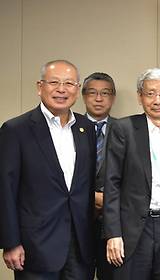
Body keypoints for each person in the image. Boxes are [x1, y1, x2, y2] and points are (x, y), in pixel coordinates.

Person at [0, 60, 96, 279]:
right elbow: (5, 190)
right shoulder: (16, 130)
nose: (62, 89)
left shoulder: (86, 128)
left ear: (77, 89)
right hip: (36, 246)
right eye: (54, 82)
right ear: (39, 86)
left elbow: (86, 186)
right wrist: (11, 242)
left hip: (80, 245)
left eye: (69, 83)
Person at [103, 68, 160, 279]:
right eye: (150, 93)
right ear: (140, 97)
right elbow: (112, 184)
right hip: (132, 228)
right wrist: (113, 234)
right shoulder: (123, 129)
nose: (157, 100)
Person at [81, 72, 117, 280]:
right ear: (83, 95)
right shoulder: (69, 128)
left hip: (112, 223)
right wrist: (90, 197)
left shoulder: (126, 130)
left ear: (112, 97)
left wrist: (108, 200)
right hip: (77, 221)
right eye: (92, 93)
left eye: (105, 93)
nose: (98, 98)